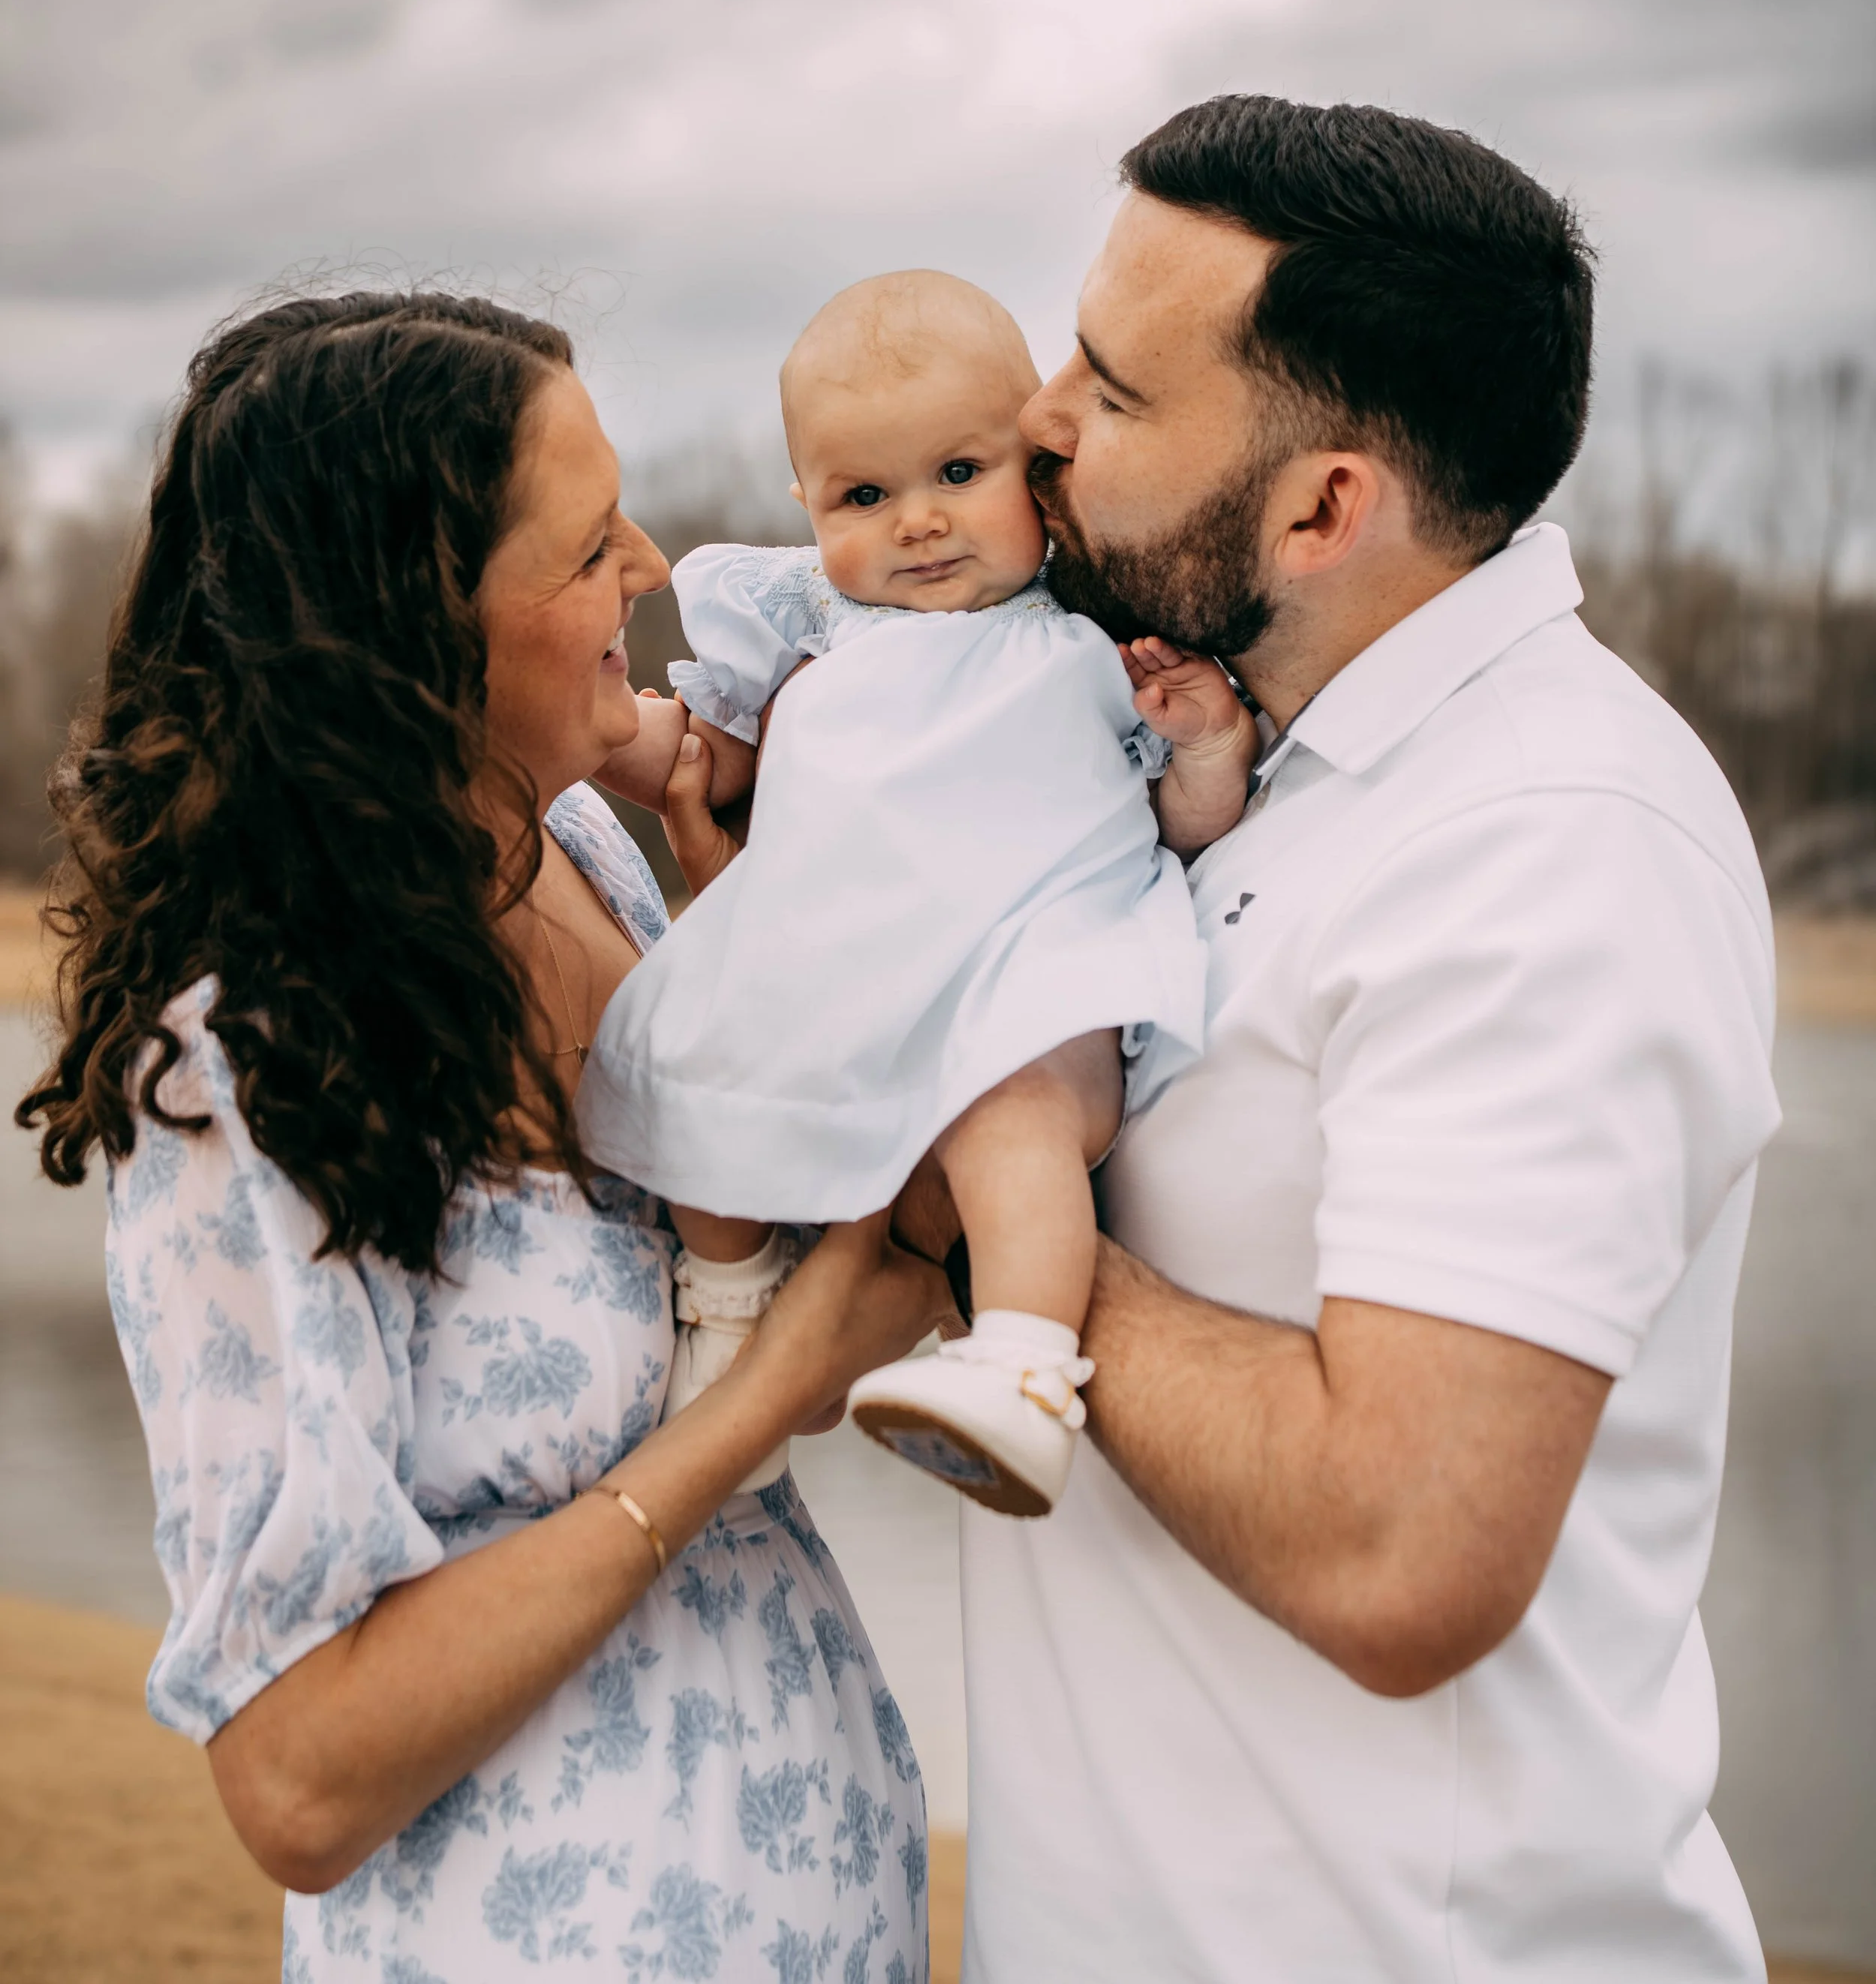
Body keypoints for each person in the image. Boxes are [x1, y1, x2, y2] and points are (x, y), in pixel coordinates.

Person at [17, 291, 949, 1984]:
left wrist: (759, 929)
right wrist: (753, 1401)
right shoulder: (251, 1074)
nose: (654, 568)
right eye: (590, 544)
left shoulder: (590, 856)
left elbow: (807, 1285)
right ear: (415, 627)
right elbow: (296, 1779)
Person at [957, 97, 1782, 1982]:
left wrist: (980, 1245)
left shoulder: (1552, 841)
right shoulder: (1224, 763)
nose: (1037, 424)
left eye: (1112, 387)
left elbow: (1395, 1553)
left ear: (1325, 507)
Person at [582, 268, 1216, 1520]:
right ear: (808, 507)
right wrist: (602, 737)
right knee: (688, 1046)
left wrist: (1205, 749)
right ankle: (730, 1299)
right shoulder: (818, 629)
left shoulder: (1094, 635)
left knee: (1014, 1129)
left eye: (959, 474)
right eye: (865, 495)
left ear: (1035, 471)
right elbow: (703, 757)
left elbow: (1187, 828)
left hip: (1030, 976)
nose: (919, 521)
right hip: (844, 972)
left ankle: (1026, 1368)